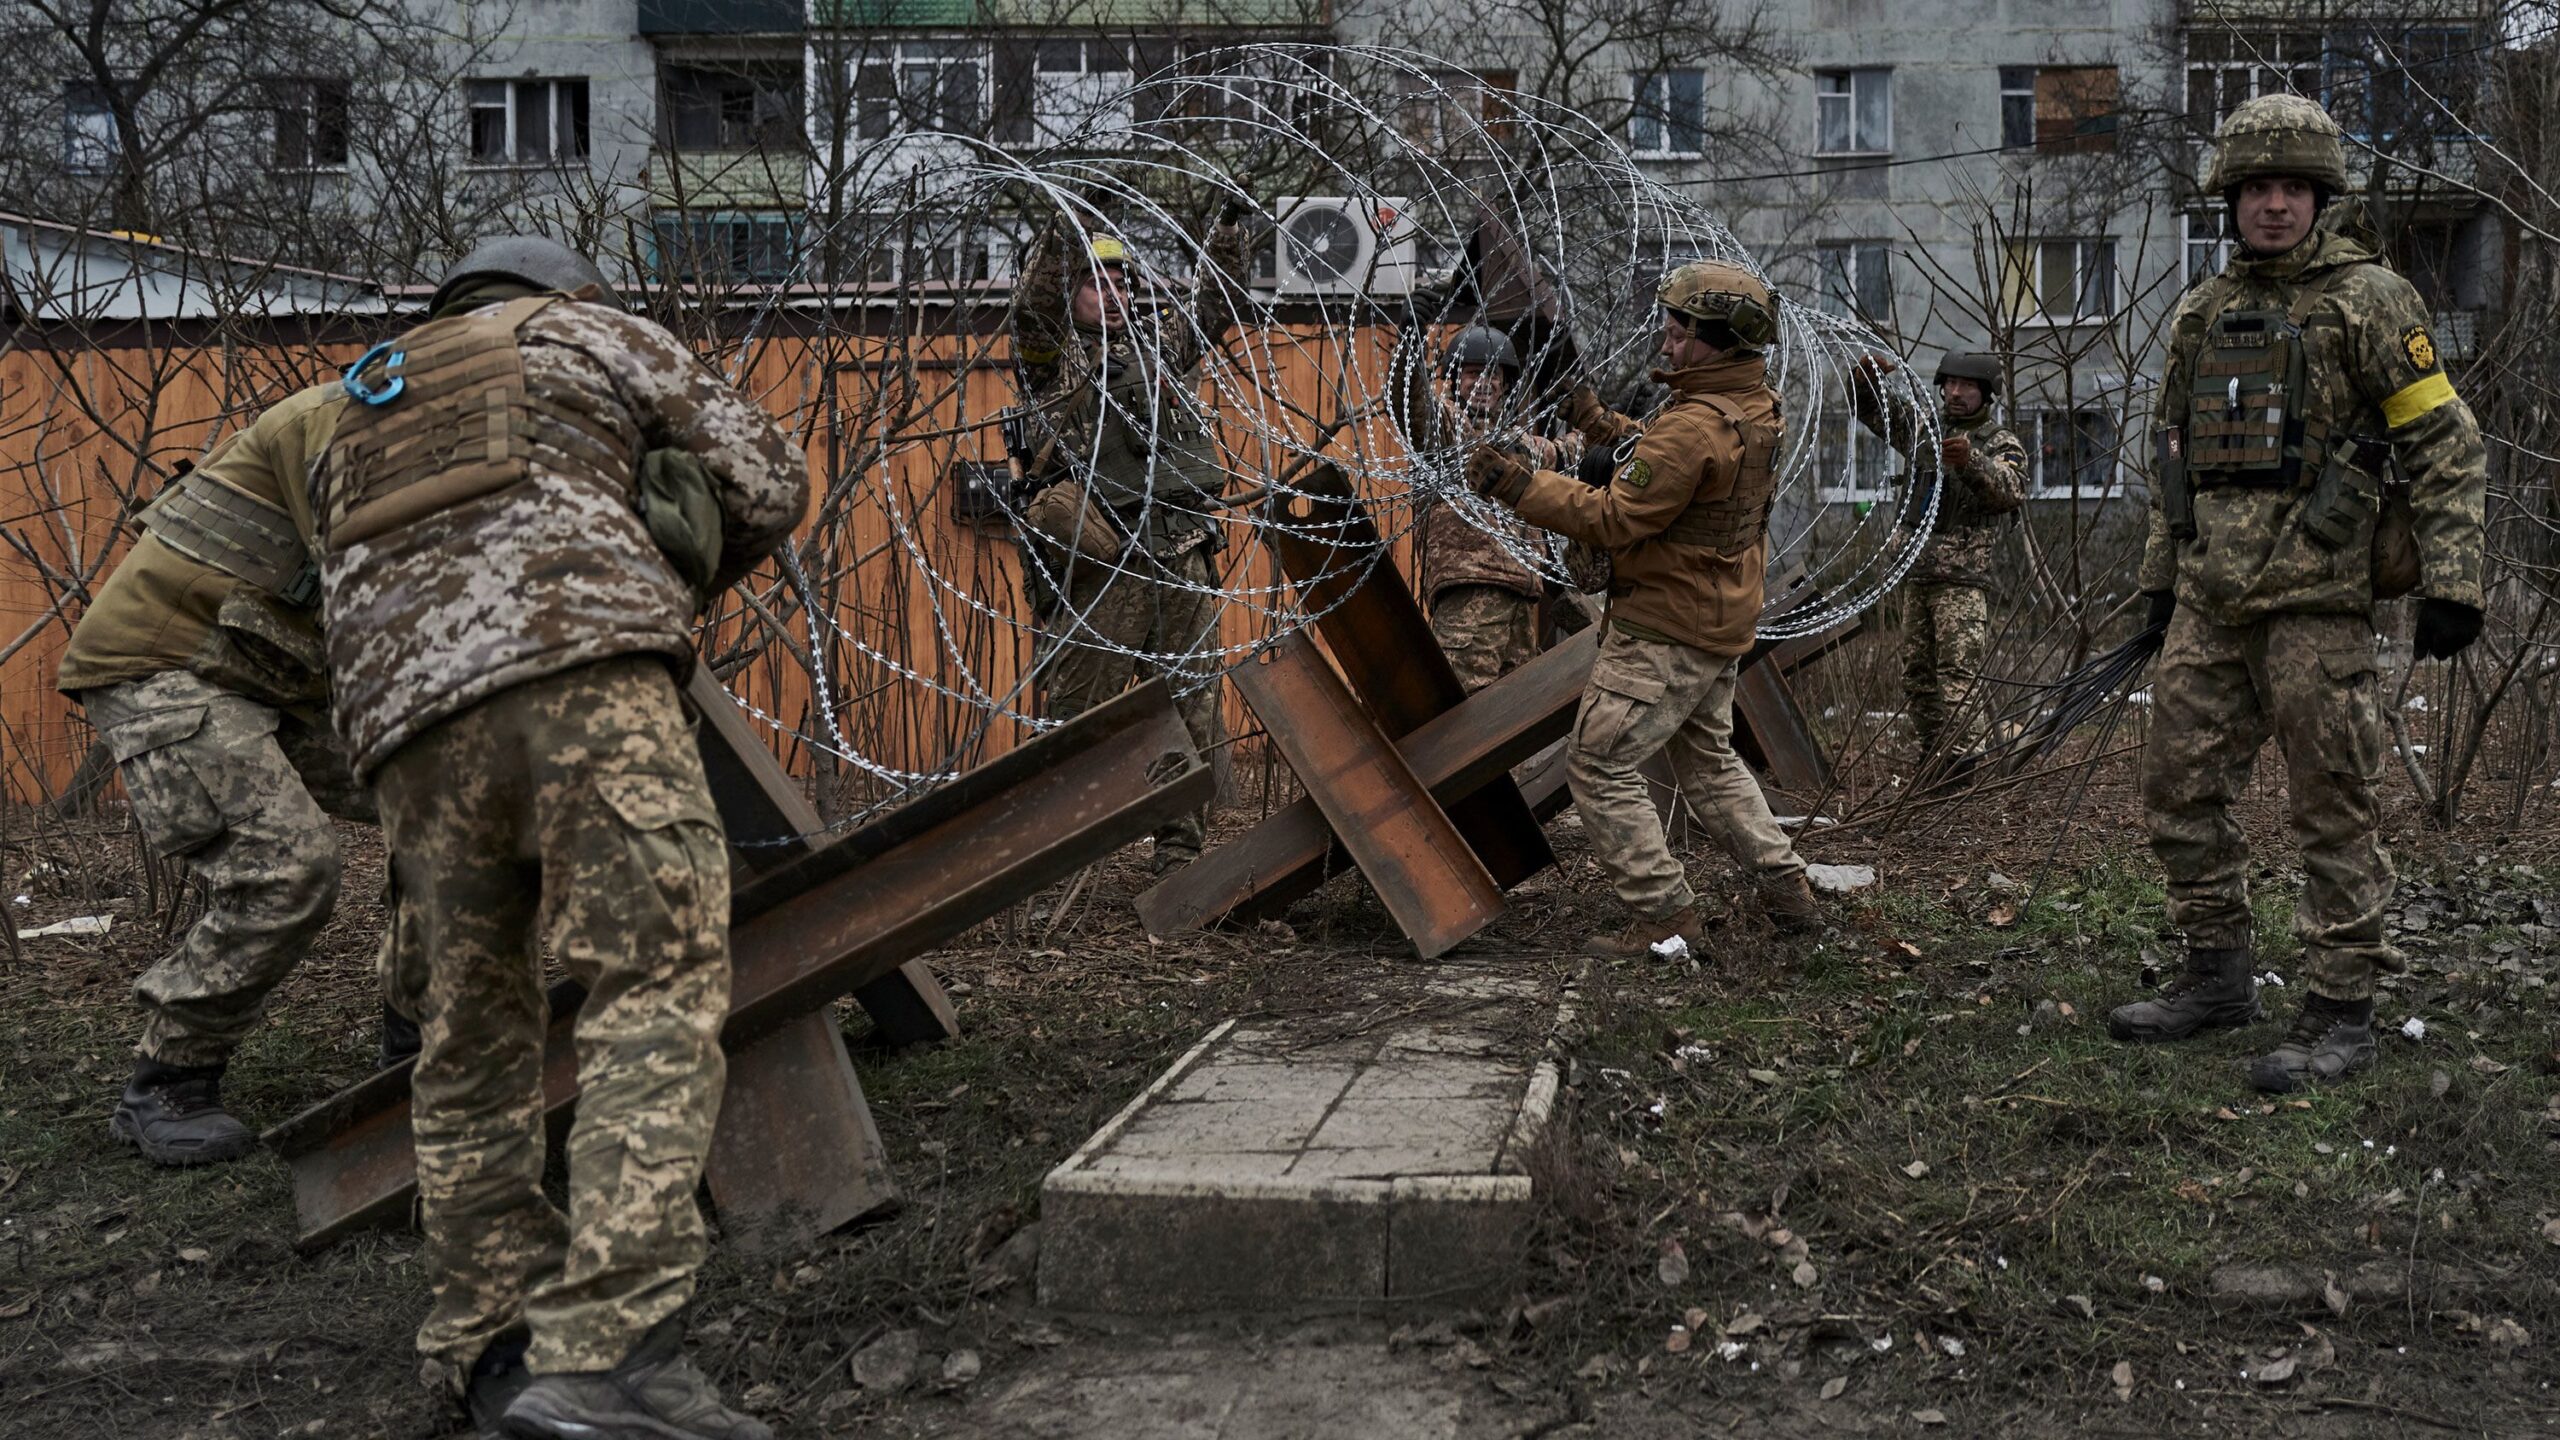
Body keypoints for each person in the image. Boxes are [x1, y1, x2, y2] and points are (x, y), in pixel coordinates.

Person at [311, 236, 807, 1439]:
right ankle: (608, 1357)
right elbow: (766, 478)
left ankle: (490, 1359)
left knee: (469, 1036)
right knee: (650, 977)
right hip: (582, 670)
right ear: (565, 290)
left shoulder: (355, 406)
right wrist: (676, 560)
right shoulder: (581, 331)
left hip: (408, 731)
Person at [2106, 95, 2487, 1093]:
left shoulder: (2371, 301)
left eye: (2291, 189)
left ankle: (2339, 1011)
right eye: (2255, 189)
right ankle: (2216, 978)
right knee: (2176, 791)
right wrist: (2158, 585)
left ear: (2321, 199)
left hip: (2317, 601)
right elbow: (2172, 463)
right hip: (2209, 598)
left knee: (2332, 807)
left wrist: (2454, 580)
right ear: (2230, 200)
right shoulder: (2200, 311)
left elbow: (2444, 447)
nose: (2272, 206)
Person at [56, 380, 418, 1167]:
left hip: (267, 668)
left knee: (454, 807)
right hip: (168, 663)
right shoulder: (348, 417)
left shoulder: (467, 425)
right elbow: (383, 575)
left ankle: (421, 1039)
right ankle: (168, 1081)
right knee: (288, 868)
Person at [1465, 261, 1822, 956]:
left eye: (1681, 331)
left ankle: (1664, 914)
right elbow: (1660, 460)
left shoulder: (1693, 427)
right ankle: (1788, 889)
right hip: (1715, 619)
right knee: (1711, 764)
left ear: (1719, 340)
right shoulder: (1750, 406)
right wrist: (1594, 419)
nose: (1667, 339)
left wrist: (1518, 485)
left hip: (1664, 628)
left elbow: (1614, 516)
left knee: (1598, 764)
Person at [1009, 220, 1246, 873]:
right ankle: (1055, 863)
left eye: (1120, 279)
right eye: (1094, 280)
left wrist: (1226, 229)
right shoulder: (1050, 357)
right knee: (1080, 719)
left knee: (1193, 706)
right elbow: (1035, 305)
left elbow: (1216, 303)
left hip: (1180, 545)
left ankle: (1180, 855)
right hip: (1105, 560)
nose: (1111, 291)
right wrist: (1068, 220)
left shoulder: (1155, 345)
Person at [1848, 351, 2029, 756]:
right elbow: (1876, 412)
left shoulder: (2000, 442)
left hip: (1961, 581)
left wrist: (1971, 462)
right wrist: (1864, 379)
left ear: (1986, 394)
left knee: (1958, 678)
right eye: (1950, 384)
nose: (1956, 393)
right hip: (1917, 571)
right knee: (1917, 676)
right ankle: (1935, 758)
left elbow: (2011, 490)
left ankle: (1963, 765)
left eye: (1967, 387)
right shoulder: (1927, 430)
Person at [1411, 325, 1576, 692]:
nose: (1485, 383)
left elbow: (1569, 452)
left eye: (1494, 375)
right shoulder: (1448, 430)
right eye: (1474, 373)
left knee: (1515, 714)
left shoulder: (1521, 444)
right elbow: (1414, 405)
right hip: (1472, 592)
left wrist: (1614, 422)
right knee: (1467, 705)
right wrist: (1410, 345)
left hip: (1520, 597)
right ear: (1456, 379)